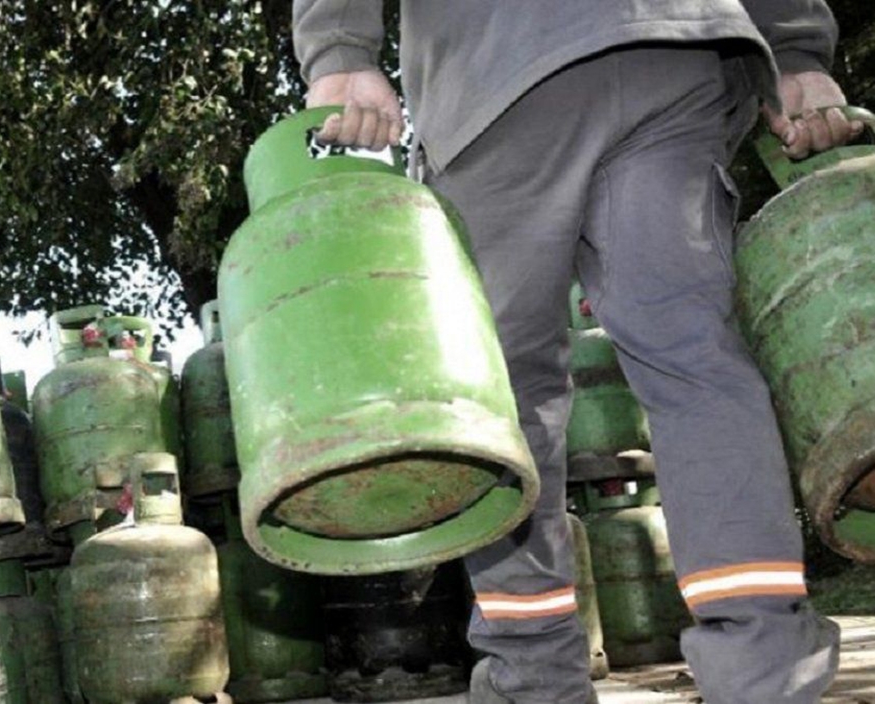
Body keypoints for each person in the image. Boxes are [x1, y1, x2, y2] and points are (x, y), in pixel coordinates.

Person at [291, 2, 858, 703]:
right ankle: (763, 672)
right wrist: (796, 52)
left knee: (505, 401)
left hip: (495, 68)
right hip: (672, 51)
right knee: (694, 366)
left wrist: (339, 51)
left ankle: (536, 679)